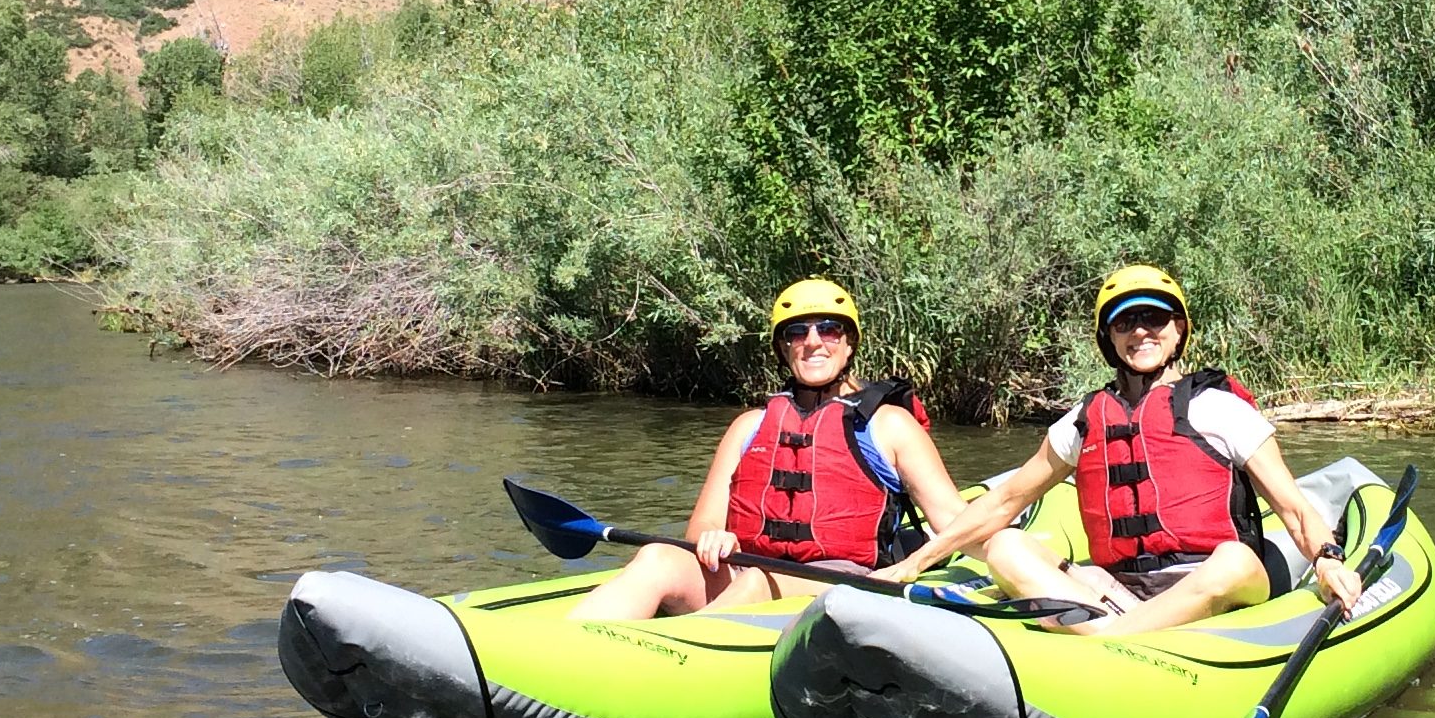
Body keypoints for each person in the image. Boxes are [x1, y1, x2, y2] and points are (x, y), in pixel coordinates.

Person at [900, 264, 1364, 634]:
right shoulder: (1083, 422)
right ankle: (1112, 626)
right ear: (1110, 338)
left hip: (1212, 583)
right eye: (1125, 322)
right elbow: (1004, 501)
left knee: (1236, 559)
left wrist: (1326, 558)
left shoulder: (1218, 408)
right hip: (1120, 591)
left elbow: (1294, 507)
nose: (1141, 332)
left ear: (1178, 330)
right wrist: (913, 563)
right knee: (1005, 546)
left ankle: (1105, 640)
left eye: (1154, 318)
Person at [570, 278, 969, 621]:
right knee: (658, 557)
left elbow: (954, 522)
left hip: (843, 585)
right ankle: (566, 648)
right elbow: (702, 526)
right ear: (783, 348)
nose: (813, 342)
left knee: (762, 582)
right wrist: (714, 538)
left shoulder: (889, 425)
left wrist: (979, 558)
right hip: (748, 572)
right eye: (797, 332)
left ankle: (675, 661)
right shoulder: (750, 426)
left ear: (849, 344)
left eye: (829, 329)